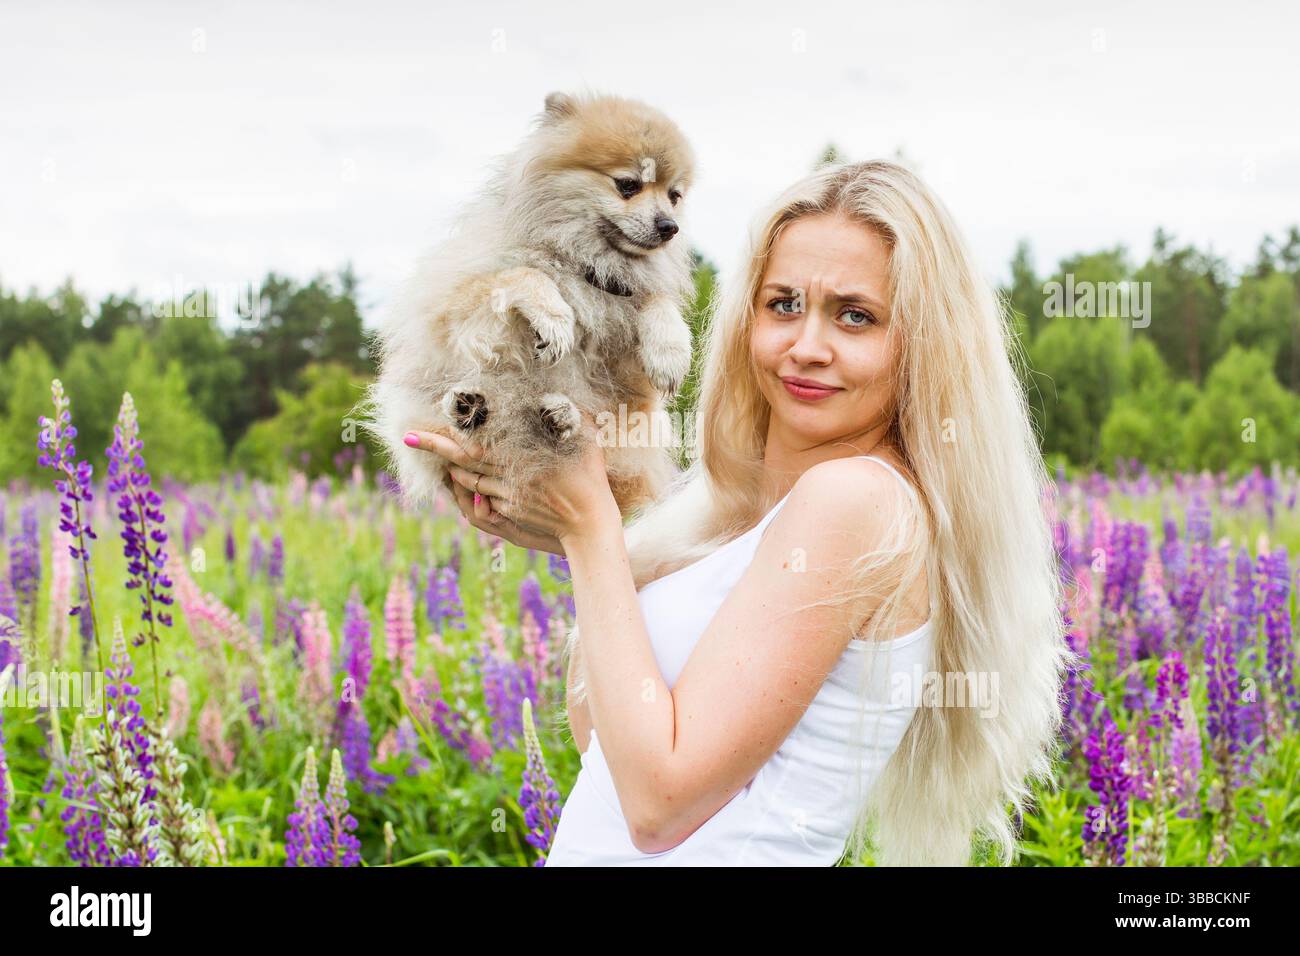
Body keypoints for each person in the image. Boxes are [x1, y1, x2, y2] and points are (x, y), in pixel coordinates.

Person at [406, 159, 1073, 866]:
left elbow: (659, 807)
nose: (806, 348)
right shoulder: (734, 517)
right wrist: (580, 531)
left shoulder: (857, 501)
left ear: (922, 343)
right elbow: (608, 759)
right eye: (783, 304)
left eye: (855, 316)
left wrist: (591, 532)